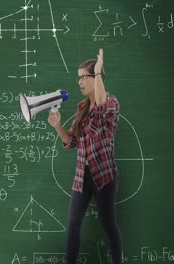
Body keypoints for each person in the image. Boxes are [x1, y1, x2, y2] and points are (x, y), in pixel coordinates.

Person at [47, 49, 122, 264]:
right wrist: (57, 126)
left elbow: (101, 104)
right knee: (72, 223)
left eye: (84, 77)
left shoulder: (111, 103)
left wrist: (98, 71)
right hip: (82, 176)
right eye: (78, 77)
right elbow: (71, 142)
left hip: (103, 176)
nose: (79, 81)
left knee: (109, 225)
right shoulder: (81, 108)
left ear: (96, 77)